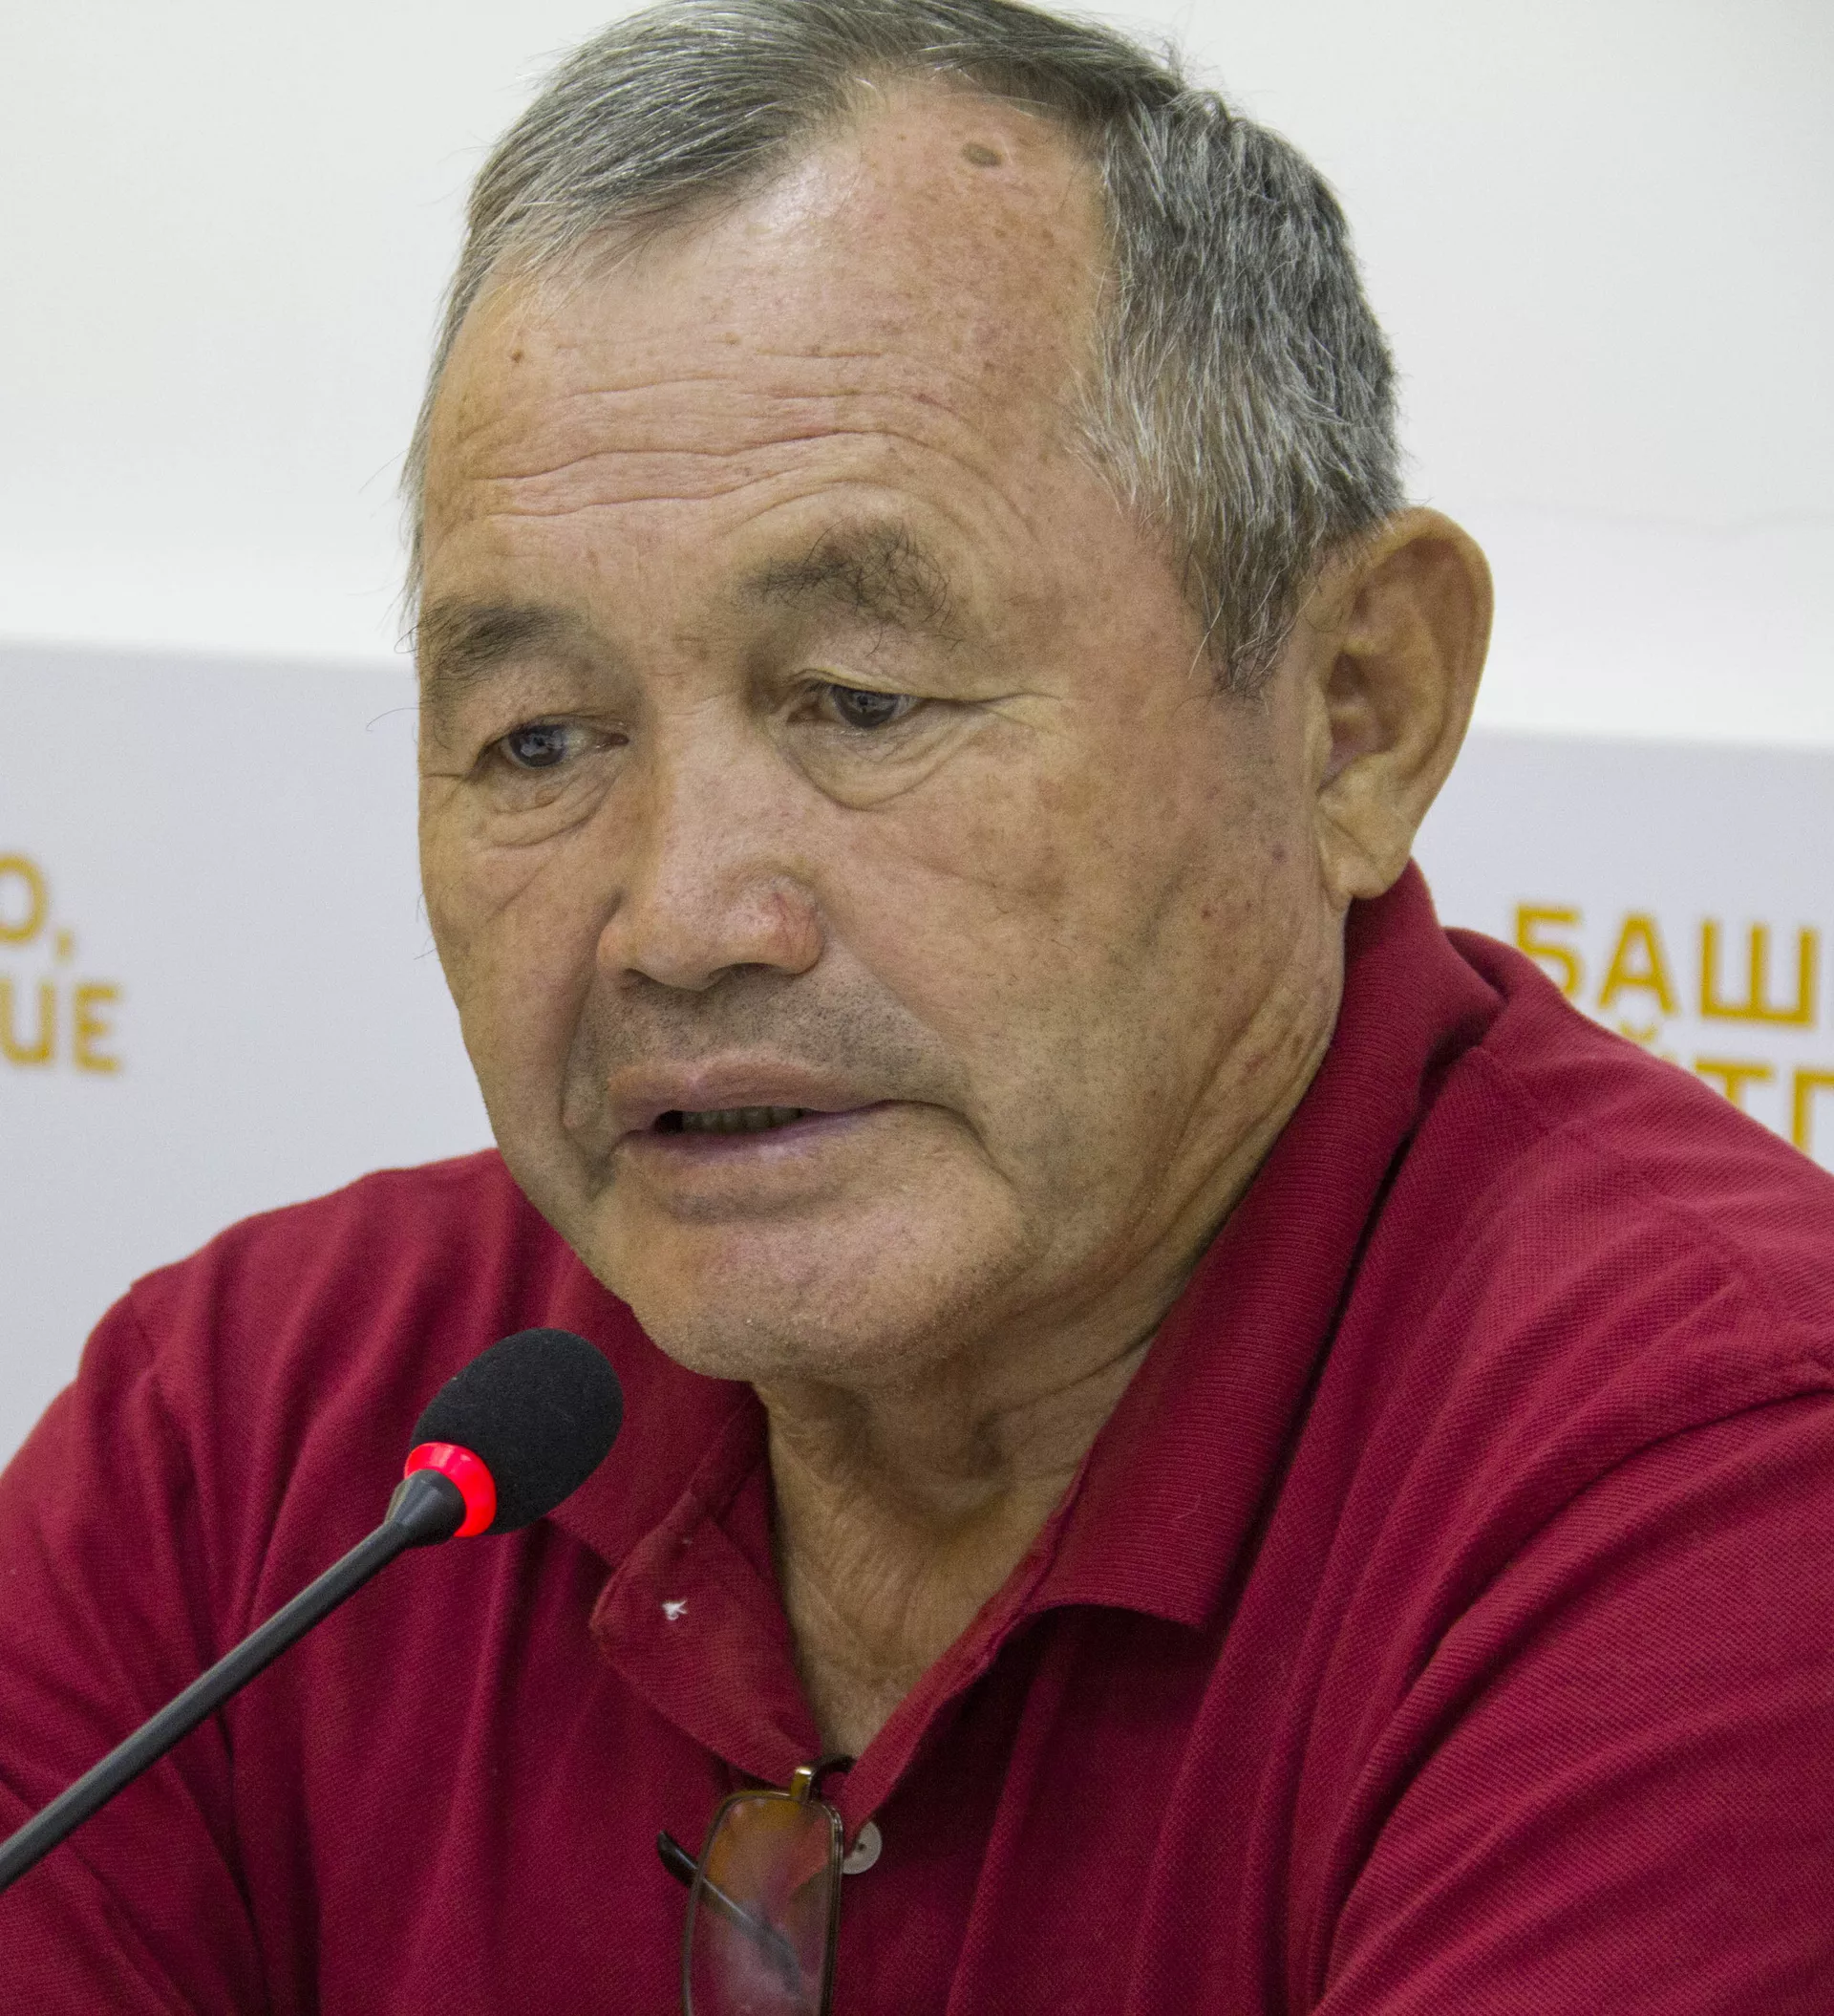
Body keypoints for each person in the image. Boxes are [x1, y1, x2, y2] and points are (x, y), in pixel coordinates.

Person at [4, 0, 1833, 2007]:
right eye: (538, 740)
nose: (677, 920)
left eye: (863, 702)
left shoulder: (1715, 1484)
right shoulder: (259, 1440)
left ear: (1353, 711)